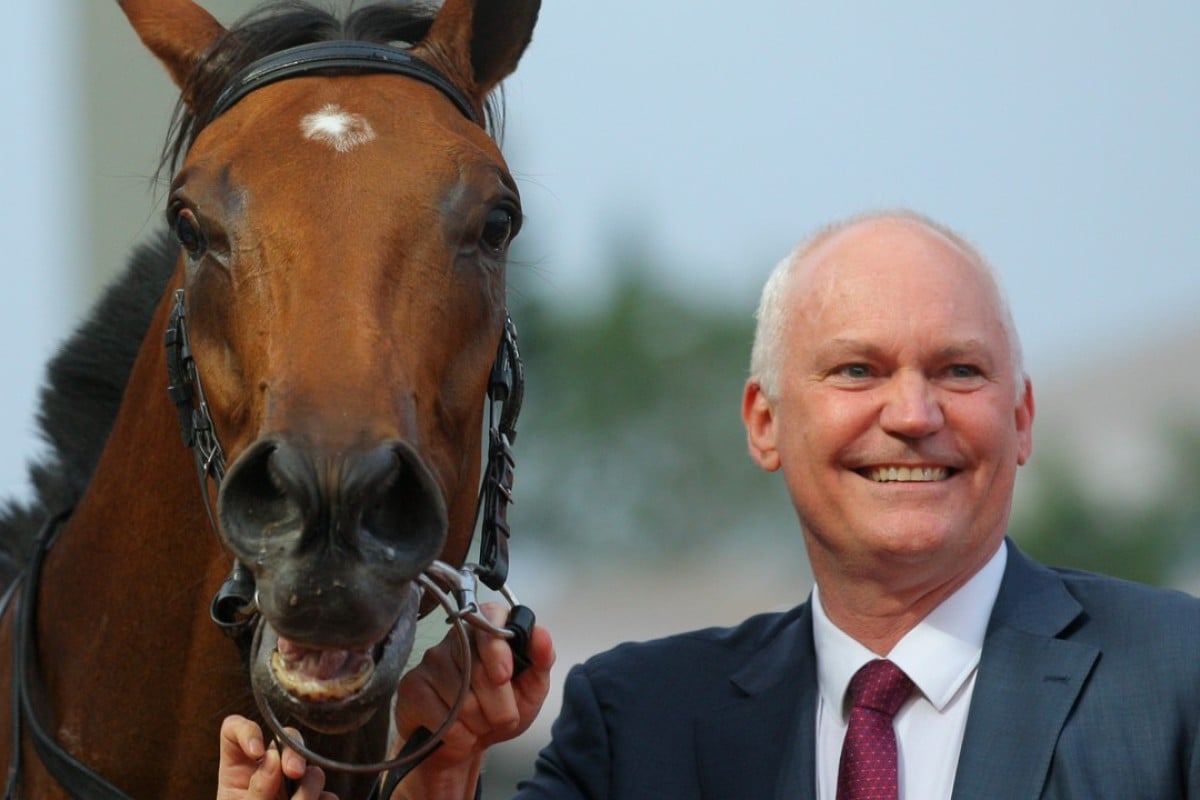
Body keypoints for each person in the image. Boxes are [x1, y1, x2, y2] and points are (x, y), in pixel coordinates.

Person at [220, 208, 1200, 798]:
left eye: (960, 370)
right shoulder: (641, 724)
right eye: (857, 369)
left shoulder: (1175, 685)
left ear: (1021, 418)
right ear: (764, 422)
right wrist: (442, 770)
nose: (913, 413)